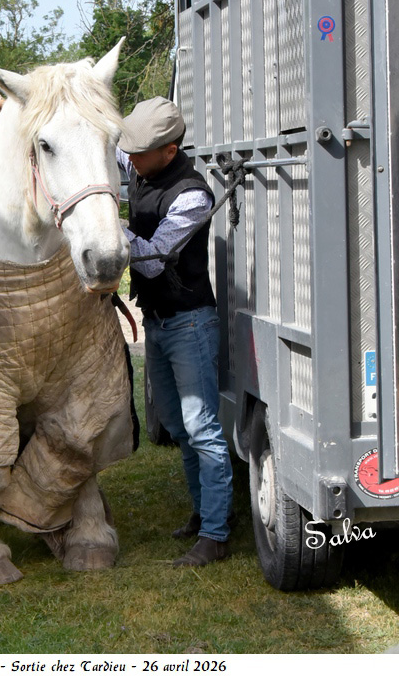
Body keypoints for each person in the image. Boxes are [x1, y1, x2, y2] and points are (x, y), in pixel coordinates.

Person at [118, 96, 234, 567]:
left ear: (169, 150)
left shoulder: (191, 195)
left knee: (202, 429)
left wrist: (108, 226)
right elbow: (108, 150)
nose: (130, 158)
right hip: (158, 321)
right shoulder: (141, 164)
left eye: (139, 152)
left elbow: (152, 257)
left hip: (189, 324)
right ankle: (202, 513)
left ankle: (216, 535)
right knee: (179, 428)